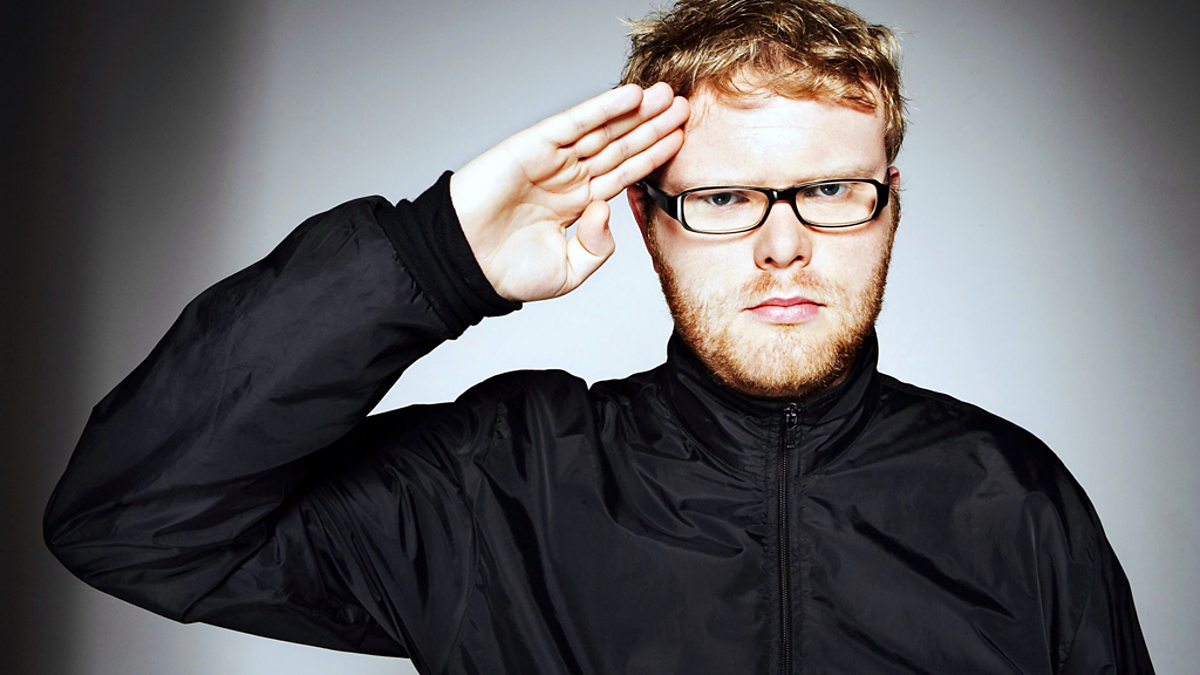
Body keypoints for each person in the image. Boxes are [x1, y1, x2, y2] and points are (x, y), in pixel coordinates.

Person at [44, 0, 1154, 672]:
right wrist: (433, 257)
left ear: (890, 206)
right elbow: (131, 523)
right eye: (724, 197)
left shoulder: (1014, 499)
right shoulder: (498, 486)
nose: (783, 246)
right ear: (647, 218)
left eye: (828, 190)